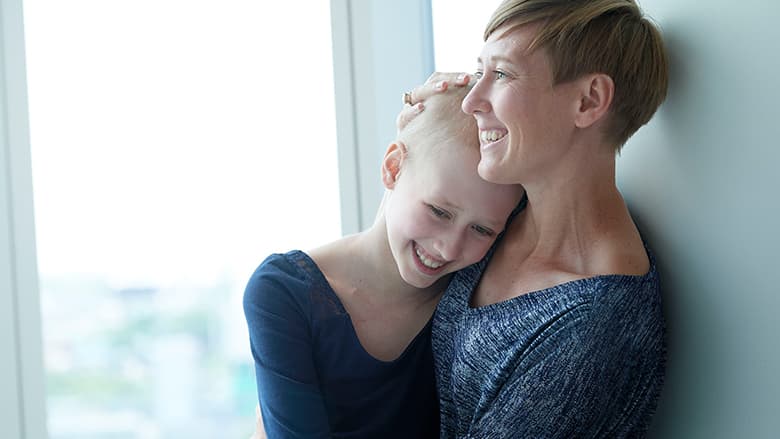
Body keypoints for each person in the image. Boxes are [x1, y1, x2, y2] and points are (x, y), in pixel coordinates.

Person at [399, 0, 669, 437]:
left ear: (588, 100)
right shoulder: (502, 212)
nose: (471, 102)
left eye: (501, 74)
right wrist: (413, 147)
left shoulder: (592, 332)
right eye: (479, 71)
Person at [242, 86, 524, 438]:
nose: (449, 248)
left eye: (481, 229)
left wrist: (457, 104)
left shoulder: (475, 294)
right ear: (393, 168)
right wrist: (434, 104)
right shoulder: (284, 293)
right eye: (438, 211)